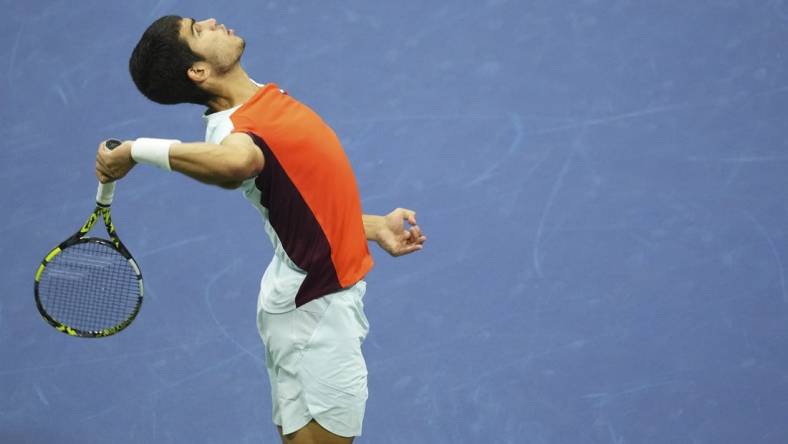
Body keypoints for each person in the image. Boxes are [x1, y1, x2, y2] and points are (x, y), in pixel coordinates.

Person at [95, 15, 426, 444]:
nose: (212, 21)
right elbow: (236, 165)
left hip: (302, 297)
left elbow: (305, 197)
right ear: (198, 71)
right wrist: (138, 150)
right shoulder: (233, 129)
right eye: (198, 29)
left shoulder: (258, 100)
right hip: (317, 309)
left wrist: (373, 226)